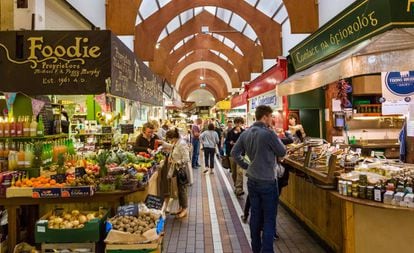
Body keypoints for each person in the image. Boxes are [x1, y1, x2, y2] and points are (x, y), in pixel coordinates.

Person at [231, 105, 286, 253]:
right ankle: (267, 250)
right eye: (271, 117)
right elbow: (282, 151)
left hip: (252, 181)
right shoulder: (268, 133)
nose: (272, 119)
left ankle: (256, 248)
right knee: (269, 218)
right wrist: (273, 133)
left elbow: (234, 153)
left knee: (255, 215)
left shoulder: (245, 133)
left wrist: (246, 166)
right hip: (268, 181)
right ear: (265, 117)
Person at [165, 128, 190, 218]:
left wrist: (177, 162)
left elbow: (186, 158)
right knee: (179, 190)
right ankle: (181, 208)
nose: (170, 141)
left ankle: (185, 209)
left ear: (174, 137)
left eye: (170, 139)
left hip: (181, 170)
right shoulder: (177, 143)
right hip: (177, 169)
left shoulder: (182, 144)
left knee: (182, 190)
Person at [226, 117, 245, 196]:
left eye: (240, 123)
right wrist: (229, 142)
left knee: (240, 172)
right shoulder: (230, 132)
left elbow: (245, 142)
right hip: (232, 154)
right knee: (234, 172)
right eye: (237, 123)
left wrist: (240, 132)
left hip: (242, 154)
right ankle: (236, 185)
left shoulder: (244, 132)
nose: (238, 124)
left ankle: (239, 188)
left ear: (242, 124)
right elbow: (226, 141)